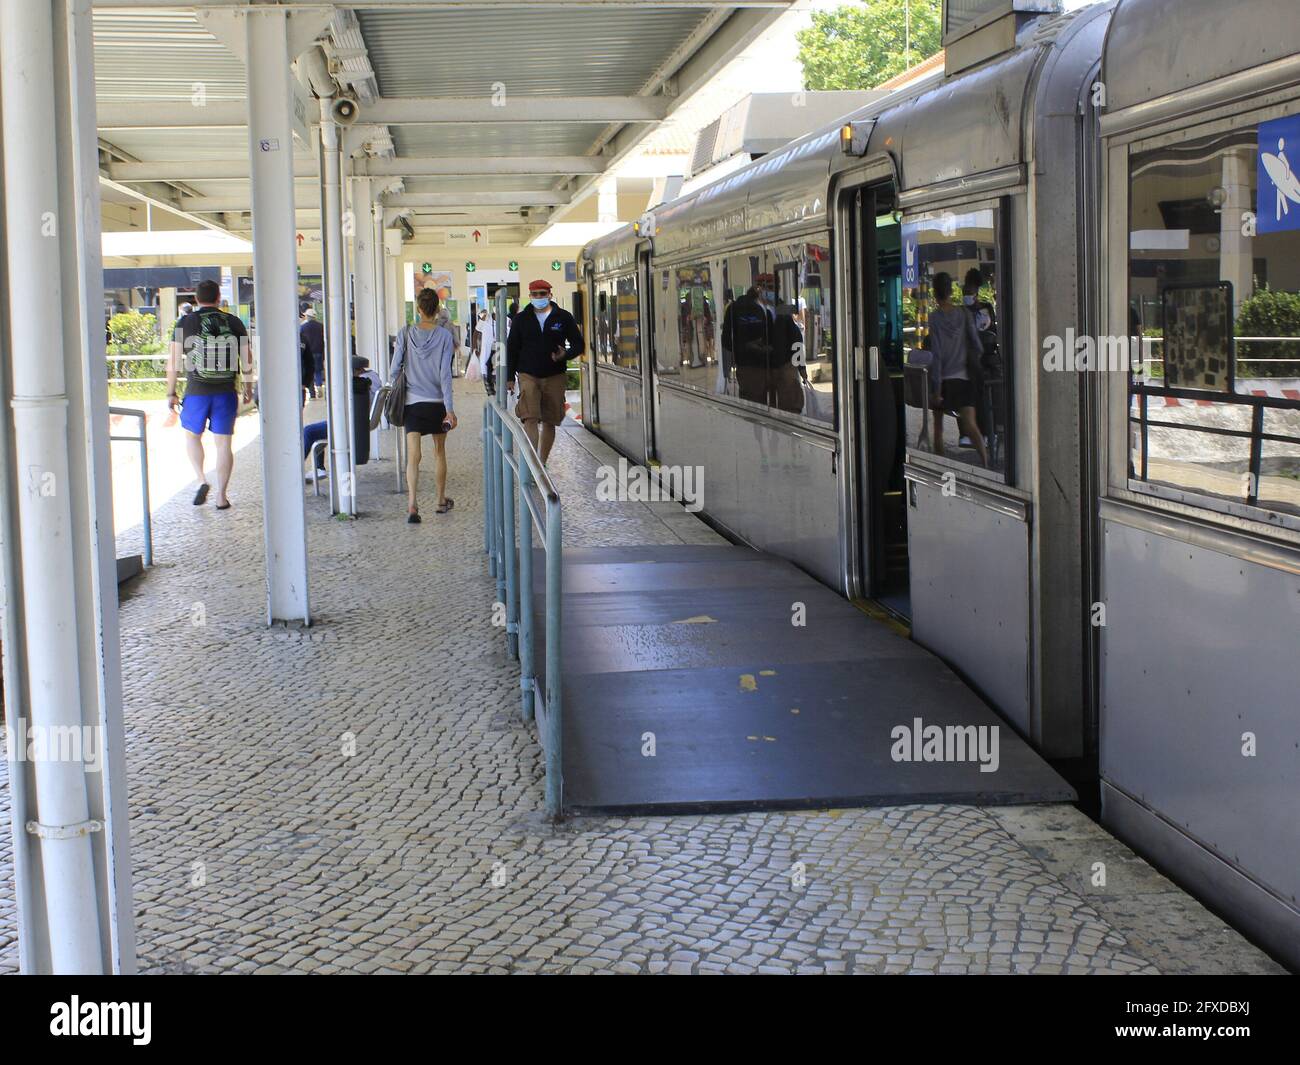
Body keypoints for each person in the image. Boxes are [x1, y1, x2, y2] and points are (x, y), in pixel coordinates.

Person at [167, 278, 252, 510]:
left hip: (196, 391)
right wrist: (248, 388)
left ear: (196, 299)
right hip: (226, 391)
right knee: (224, 444)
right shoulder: (233, 322)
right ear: (218, 298)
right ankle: (222, 497)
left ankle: (202, 480)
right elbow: (247, 359)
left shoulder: (185, 322)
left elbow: (173, 361)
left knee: (192, 436)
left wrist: (171, 393)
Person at [389, 287, 457, 523]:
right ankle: (439, 501)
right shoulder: (445, 337)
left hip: (412, 403)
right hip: (437, 403)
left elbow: (394, 369)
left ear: (418, 309)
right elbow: (445, 375)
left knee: (413, 456)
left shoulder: (405, 333)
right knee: (439, 452)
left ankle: (412, 504)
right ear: (437, 310)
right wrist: (449, 409)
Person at [505, 279, 584, 464]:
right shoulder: (521, 319)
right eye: (535, 294)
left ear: (550, 294)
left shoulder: (563, 317)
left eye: (542, 294)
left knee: (550, 420)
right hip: (528, 374)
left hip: (554, 375)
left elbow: (579, 344)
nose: (539, 297)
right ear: (530, 296)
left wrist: (565, 355)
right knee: (530, 417)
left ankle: (542, 462)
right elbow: (512, 348)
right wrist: (509, 377)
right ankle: (532, 464)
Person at [924, 271, 989, 466]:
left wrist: (936, 389)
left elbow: (936, 354)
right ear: (951, 291)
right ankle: (985, 462)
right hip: (964, 378)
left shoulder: (934, 318)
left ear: (935, 293)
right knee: (970, 425)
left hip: (944, 380)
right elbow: (977, 346)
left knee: (938, 427)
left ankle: (941, 467)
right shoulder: (964, 314)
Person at [299, 304, 324, 401]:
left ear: (307, 316)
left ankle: (312, 394)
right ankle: (319, 387)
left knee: (310, 370)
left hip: (308, 352)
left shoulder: (303, 327)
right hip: (319, 351)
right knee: (318, 371)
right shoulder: (320, 326)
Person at [476, 308, 497, 395]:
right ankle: (491, 401)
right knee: (490, 390)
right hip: (486, 355)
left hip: (499, 358)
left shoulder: (507, 321)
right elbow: (476, 333)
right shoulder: (485, 319)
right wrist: (475, 349)